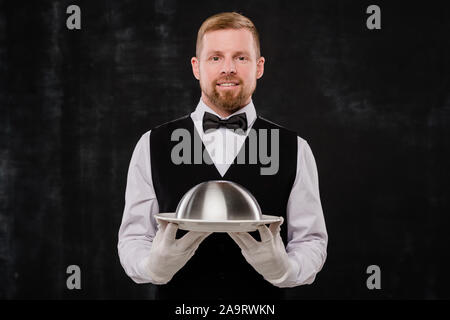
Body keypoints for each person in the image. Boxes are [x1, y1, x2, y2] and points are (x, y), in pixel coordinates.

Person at [118, 12, 328, 300]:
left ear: (259, 66)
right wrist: (151, 267)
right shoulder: (151, 144)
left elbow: (311, 241)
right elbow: (134, 237)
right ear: (196, 67)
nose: (228, 68)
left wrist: (286, 270)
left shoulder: (295, 147)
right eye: (215, 58)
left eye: (240, 57)